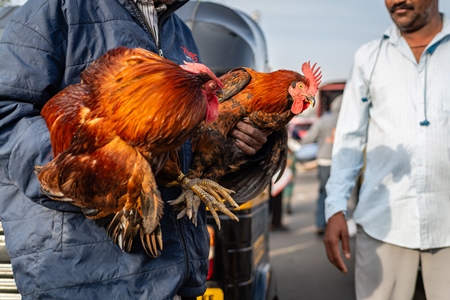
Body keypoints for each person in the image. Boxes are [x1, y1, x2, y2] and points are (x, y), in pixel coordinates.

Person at [0, 1, 269, 299]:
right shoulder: (60, 8)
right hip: (85, 276)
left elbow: (172, 138)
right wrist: (92, 171)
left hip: (175, 273)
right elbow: (5, 112)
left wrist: (228, 143)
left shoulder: (177, 28)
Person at [323, 0, 450, 299]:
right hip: (384, 223)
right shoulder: (370, 57)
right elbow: (350, 140)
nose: (396, 1)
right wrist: (335, 208)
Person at [301, 94, 342, 235]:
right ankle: (337, 226)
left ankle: (320, 224)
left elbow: (308, 139)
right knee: (340, 193)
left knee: (323, 193)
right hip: (341, 162)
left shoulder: (323, 120)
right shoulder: (347, 121)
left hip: (324, 161)